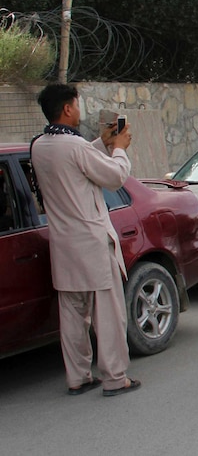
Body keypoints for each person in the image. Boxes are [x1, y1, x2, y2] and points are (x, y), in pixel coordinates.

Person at [30, 84, 141, 396]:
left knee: (73, 316)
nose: (79, 111)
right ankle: (116, 378)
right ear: (67, 109)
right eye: (77, 105)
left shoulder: (40, 145)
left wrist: (100, 143)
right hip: (92, 242)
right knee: (108, 315)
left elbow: (75, 161)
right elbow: (114, 176)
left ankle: (78, 377)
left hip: (63, 245)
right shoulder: (75, 147)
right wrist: (118, 147)